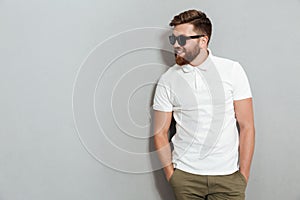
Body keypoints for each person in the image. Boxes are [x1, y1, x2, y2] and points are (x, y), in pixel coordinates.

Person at [153, 9, 255, 200]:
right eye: (173, 39)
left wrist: (243, 176)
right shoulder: (168, 80)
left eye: (182, 40)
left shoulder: (232, 70)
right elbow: (160, 132)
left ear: (203, 40)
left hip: (228, 176)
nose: (176, 45)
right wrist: (172, 176)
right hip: (186, 177)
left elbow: (247, 126)